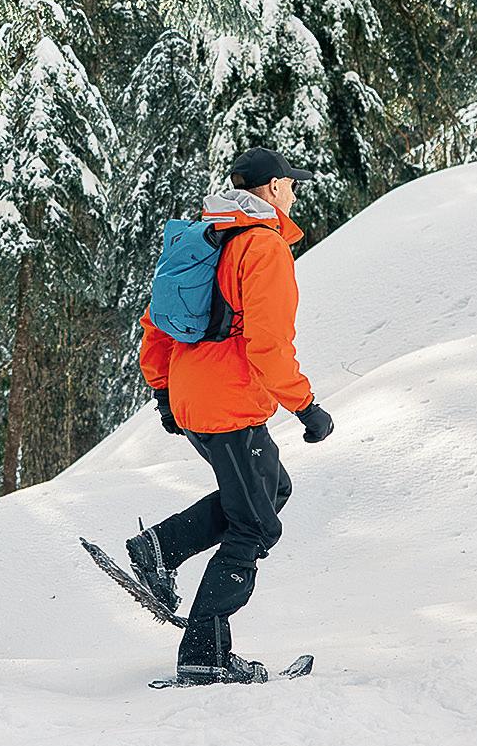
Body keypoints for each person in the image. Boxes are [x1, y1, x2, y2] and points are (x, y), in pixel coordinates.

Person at [125, 147, 334, 684]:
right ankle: (205, 655)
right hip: (230, 404)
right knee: (256, 525)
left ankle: (160, 548)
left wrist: (165, 392)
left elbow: (156, 323)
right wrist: (306, 407)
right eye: (290, 185)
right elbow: (268, 344)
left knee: (272, 488)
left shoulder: (205, 237)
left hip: (194, 398)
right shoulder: (263, 246)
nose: (294, 193)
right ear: (272, 189)